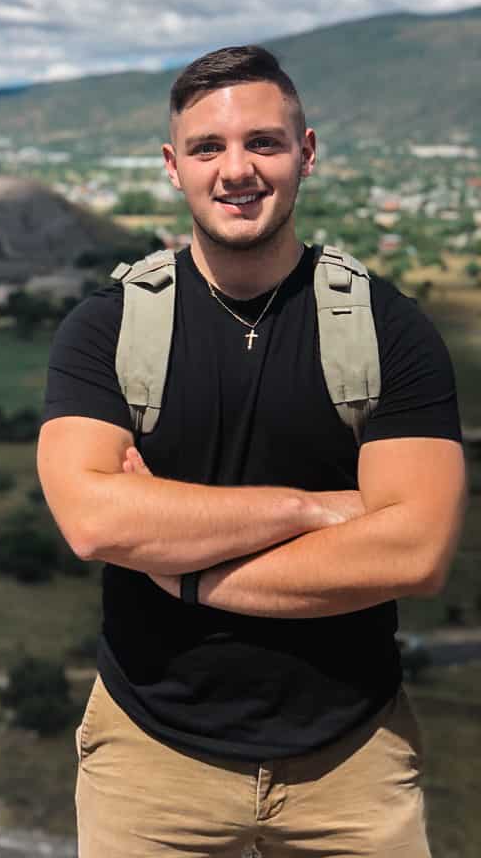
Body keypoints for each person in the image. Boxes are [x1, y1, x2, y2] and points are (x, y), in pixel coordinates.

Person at [37, 45, 466, 857]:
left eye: (263, 143)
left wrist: (179, 566)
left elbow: (416, 551)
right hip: (148, 763)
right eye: (208, 148)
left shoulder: (388, 328)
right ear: (173, 166)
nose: (237, 170)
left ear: (307, 152)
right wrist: (311, 508)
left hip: (352, 762)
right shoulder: (107, 329)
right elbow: (95, 523)